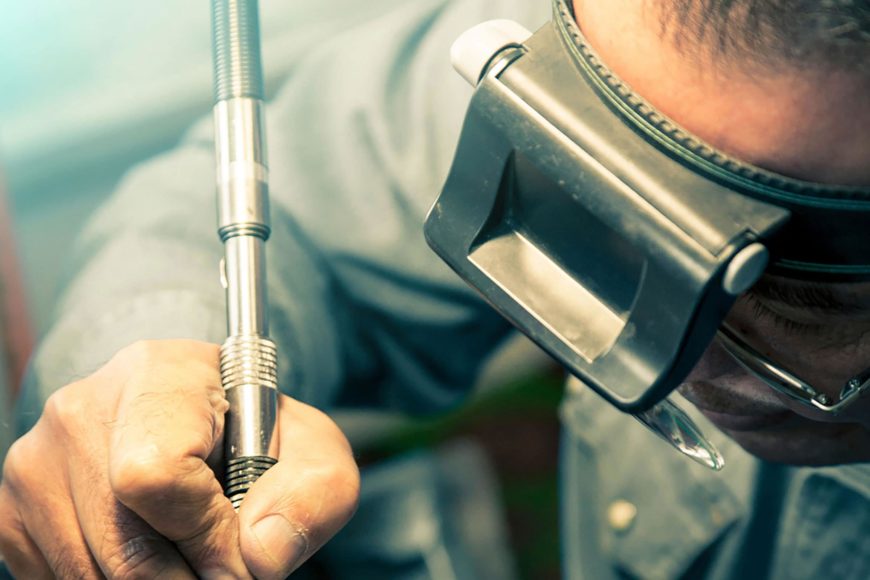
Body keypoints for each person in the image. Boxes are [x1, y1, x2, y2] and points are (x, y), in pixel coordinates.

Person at [1, 0, 868, 578]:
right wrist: (143, 398)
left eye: (793, 304)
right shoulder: (633, 38)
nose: (646, 346)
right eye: (584, 210)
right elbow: (287, 207)